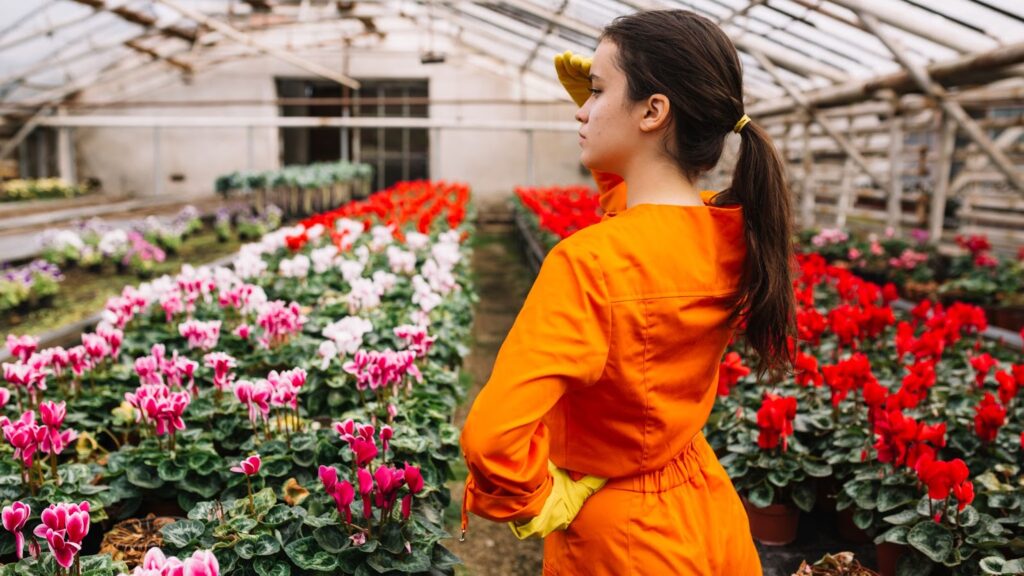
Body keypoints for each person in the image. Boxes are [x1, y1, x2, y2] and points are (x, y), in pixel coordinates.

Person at [460, 9, 795, 575]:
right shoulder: (734, 235)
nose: (581, 110)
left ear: (654, 110)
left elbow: (492, 438)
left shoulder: (588, 263)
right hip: (706, 513)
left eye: (596, 91)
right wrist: (617, 131)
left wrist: (534, 498)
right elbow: (652, 219)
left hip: (619, 540)